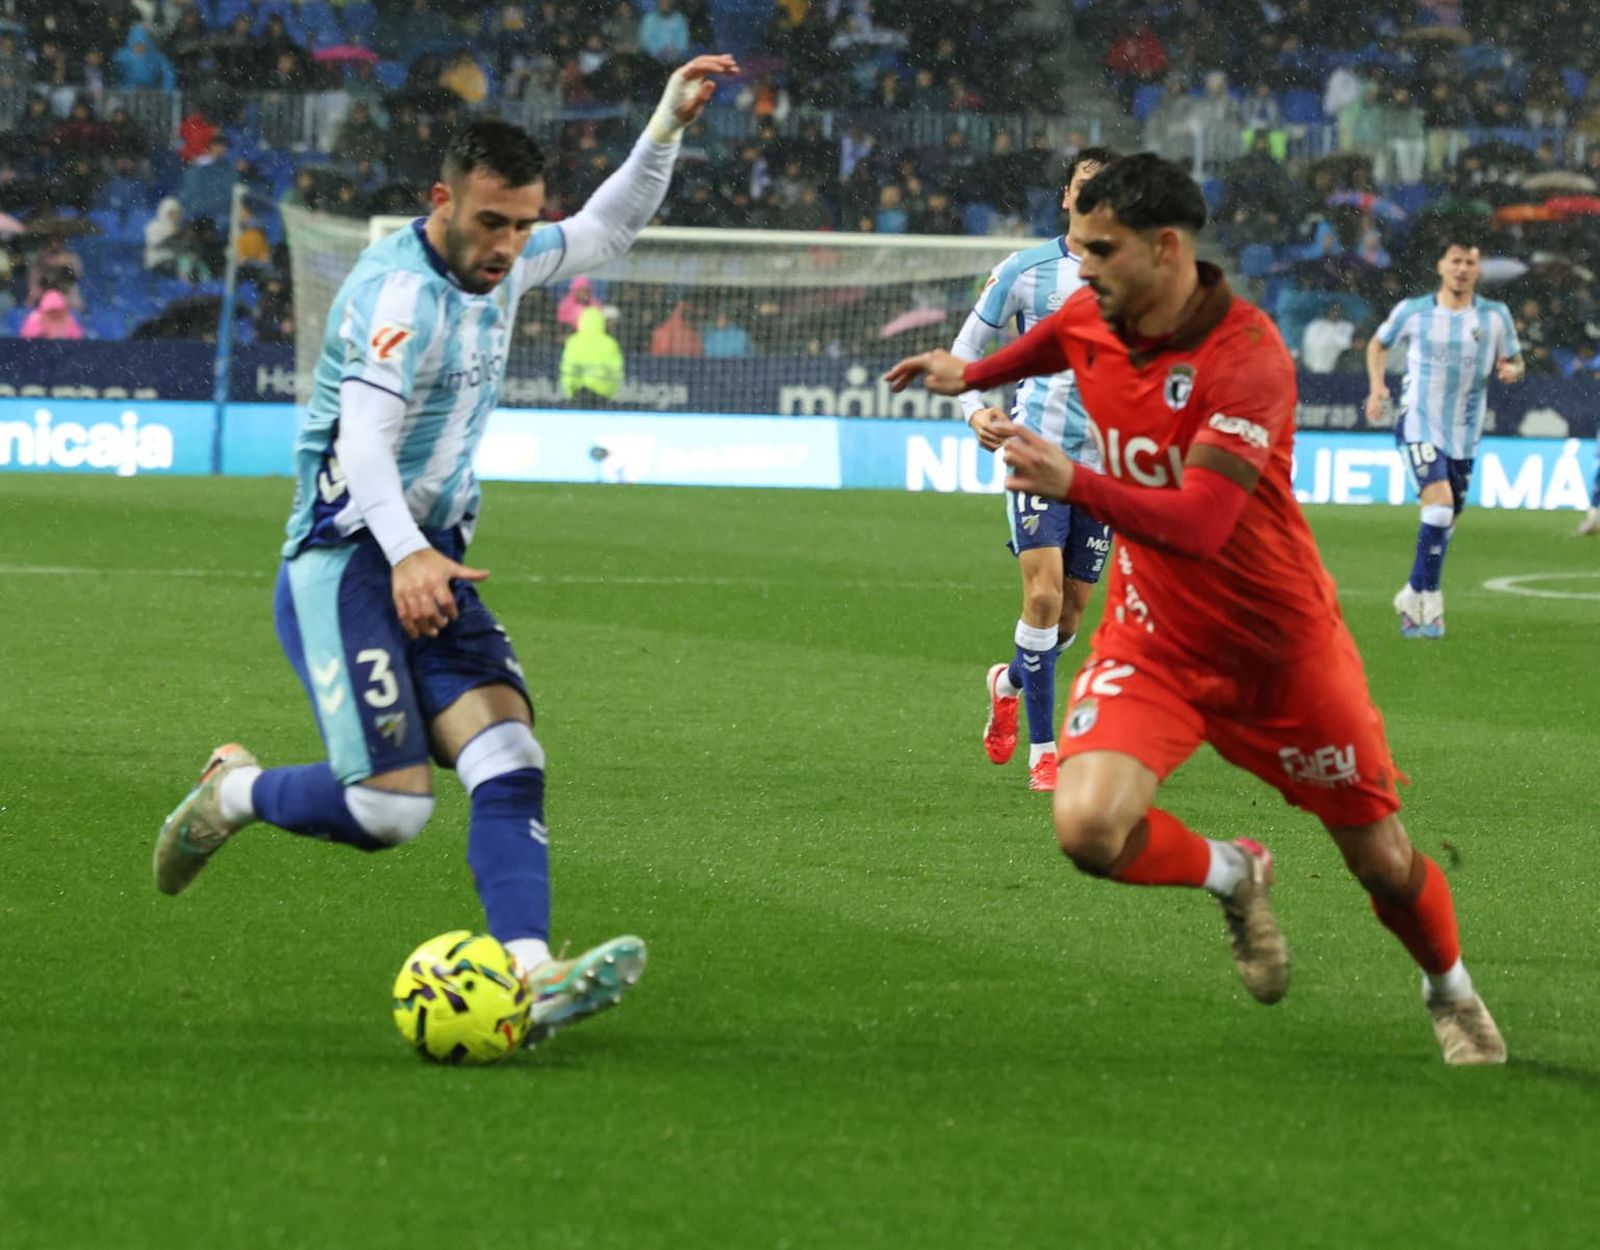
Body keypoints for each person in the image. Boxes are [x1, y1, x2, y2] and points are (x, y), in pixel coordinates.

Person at [153, 54, 740, 1049]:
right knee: (390, 813)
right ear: (443, 202)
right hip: (346, 560)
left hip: (433, 557)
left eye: (521, 224)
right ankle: (234, 790)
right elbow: (361, 446)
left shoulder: (504, 258)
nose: (509, 246)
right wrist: (407, 555)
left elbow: (605, 227)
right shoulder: (399, 298)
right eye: (490, 224)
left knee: (510, 754)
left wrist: (665, 126)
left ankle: (532, 972)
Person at [884, 154, 1505, 1066]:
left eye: (1102, 249)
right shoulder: (1094, 307)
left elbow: (1204, 523)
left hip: (1276, 647)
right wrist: (967, 374)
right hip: (1156, 638)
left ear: (1166, 248)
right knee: (1088, 828)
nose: (1082, 265)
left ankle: (1448, 987)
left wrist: (1074, 478)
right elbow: (1052, 340)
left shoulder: (1246, 355)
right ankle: (1233, 871)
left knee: (1379, 859)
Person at [951, 146, 1116, 793]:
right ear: (1066, 198)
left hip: (1103, 471)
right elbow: (965, 355)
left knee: (1070, 616)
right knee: (1042, 596)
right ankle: (1045, 753)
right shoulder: (1026, 271)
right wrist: (972, 413)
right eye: (1086, 185)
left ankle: (1009, 682)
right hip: (1035, 455)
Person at [1365, 237, 1524, 639]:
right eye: (1455, 261)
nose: (1462, 269)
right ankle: (1430, 600)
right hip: (1418, 422)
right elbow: (1378, 344)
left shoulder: (1494, 316)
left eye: (1470, 262)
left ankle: (1413, 591)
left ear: (1478, 269)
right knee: (1437, 509)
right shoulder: (1414, 312)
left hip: (1464, 433)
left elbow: (1514, 360)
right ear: (1440, 265)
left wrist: (1513, 370)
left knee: (1447, 519)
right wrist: (1376, 387)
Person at [560, 305, 624, 403]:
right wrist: (611, 392)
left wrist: (570, 391)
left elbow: (568, 369)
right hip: (602, 395)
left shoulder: (574, 341)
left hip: (578, 394)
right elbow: (616, 371)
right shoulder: (609, 343)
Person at [20, 289, 84, 340]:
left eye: (58, 313)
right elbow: (26, 339)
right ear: (42, 314)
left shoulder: (68, 320)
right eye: (50, 313)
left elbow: (78, 338)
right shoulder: (35, 320)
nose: (54, 317)